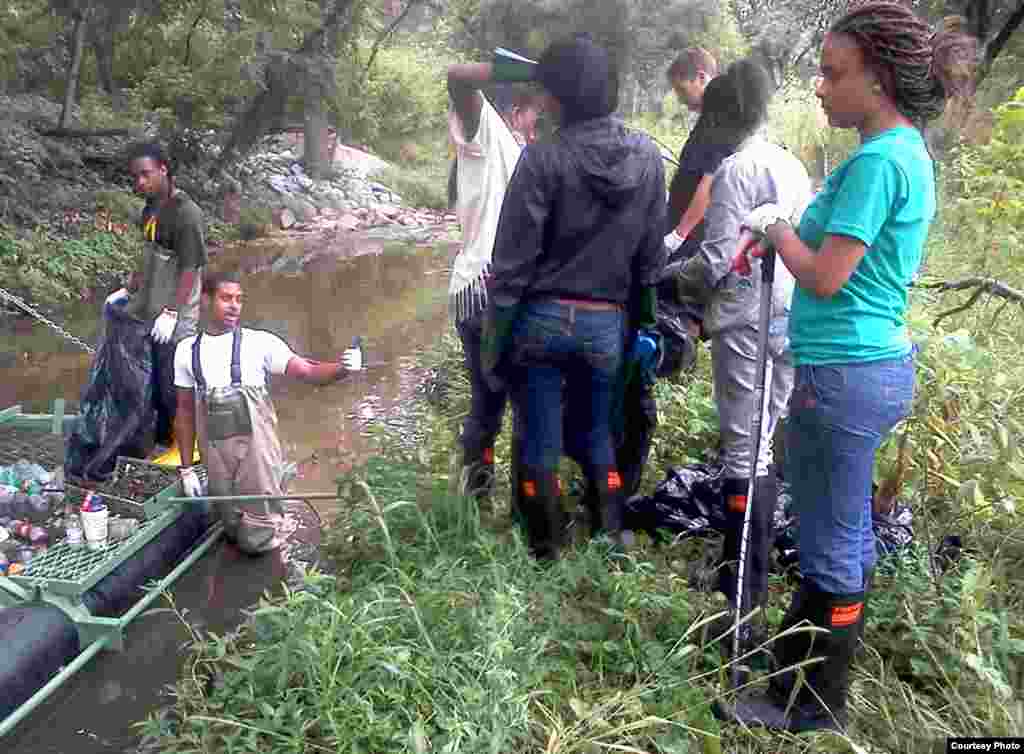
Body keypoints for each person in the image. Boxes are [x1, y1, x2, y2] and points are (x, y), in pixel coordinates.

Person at [720, 2, 974, 732]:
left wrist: (772, 224)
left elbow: (826, 276)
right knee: (845, 532)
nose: (821, 87)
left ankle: (809, 706)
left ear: (880, 80)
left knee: (830, 546)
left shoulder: (877, 162)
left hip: (843, 373)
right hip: (869, 366)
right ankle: (799, 678)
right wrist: (779, 232)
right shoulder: (903, 152)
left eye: (834, 74)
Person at [483, 34, 667, 559]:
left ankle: (545, 551)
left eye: (545, 91)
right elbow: (650, 259)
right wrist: (645, 326)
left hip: (540, 321)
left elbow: (511, 266)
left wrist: (494, 345)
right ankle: (609, 536)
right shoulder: (647, 157)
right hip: (606, 325)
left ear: (559, 96)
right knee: (598, 434)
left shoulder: (542, 158)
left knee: (539, 437)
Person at [673, 59, 812, 649]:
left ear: (723, 118)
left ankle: (742, 598)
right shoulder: (791, 164)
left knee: (742, 450)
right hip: (788, 317)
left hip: (745, 321)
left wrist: (667, 277)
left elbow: (715, 262)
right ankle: (743, 576)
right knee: (763, 441)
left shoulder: (735, 170)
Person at [173, 270, 362, 555]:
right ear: (205, 300)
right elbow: (185, 414)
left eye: (239, 299)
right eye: (226, 298)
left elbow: (309, 372)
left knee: (261, 534)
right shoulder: (186, 351)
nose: (235, 306)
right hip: (216, 457)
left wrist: (343, 368)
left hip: (257, 455)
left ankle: (275, 563)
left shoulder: (260, 343)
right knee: (231, 525)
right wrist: (187, 469)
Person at [446, 60, 542, 503]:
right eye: (536, 118)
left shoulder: (514, 152)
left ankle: (478, 500)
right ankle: (514, 505)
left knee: (489, 403)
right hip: (487, 292)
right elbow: (458, 78)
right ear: (516, 113)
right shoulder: (490, 133)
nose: (539, 130)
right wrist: (536, 70)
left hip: (479, 290)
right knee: (518, 402)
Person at [120, 142, 207, 449]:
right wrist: (128, 289)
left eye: (146, 174)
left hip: (176, 315)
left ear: (163, 170)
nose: (140, 182)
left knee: (176, 382)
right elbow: (148, 255)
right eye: (135, 177)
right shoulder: (149, 210)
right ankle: (161, 440)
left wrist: (171, 313)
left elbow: (190, 268)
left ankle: (186, 448)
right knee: (153, 379)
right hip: (150, 307)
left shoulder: (186, 213)